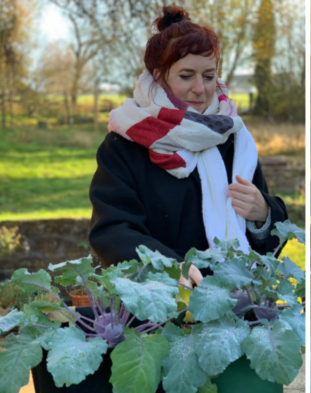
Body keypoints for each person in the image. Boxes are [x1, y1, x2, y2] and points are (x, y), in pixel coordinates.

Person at [88, 5, 287, 284]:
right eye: (186, 76)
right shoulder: (124, 145)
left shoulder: (234, 138)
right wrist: (167, 266)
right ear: (159, 77)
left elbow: (267, 241)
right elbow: (111, 230)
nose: (200, 88)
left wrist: (264, 214)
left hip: (235, 304)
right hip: (157, 305)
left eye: (208, 76)